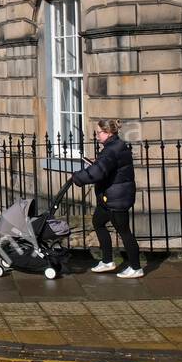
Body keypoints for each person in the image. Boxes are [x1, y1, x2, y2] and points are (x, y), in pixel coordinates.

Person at [69, 119, 142, 278]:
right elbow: (106, 167)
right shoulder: (116, 146)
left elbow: (98, 172)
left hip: (116, 198)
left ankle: (136, 267)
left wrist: (78, 178)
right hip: (109, 197)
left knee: (124, 232)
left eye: (98, 133)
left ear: (108, 132)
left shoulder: (111, 150)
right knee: (98, 222)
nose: (96, 136)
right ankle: (108, 261)